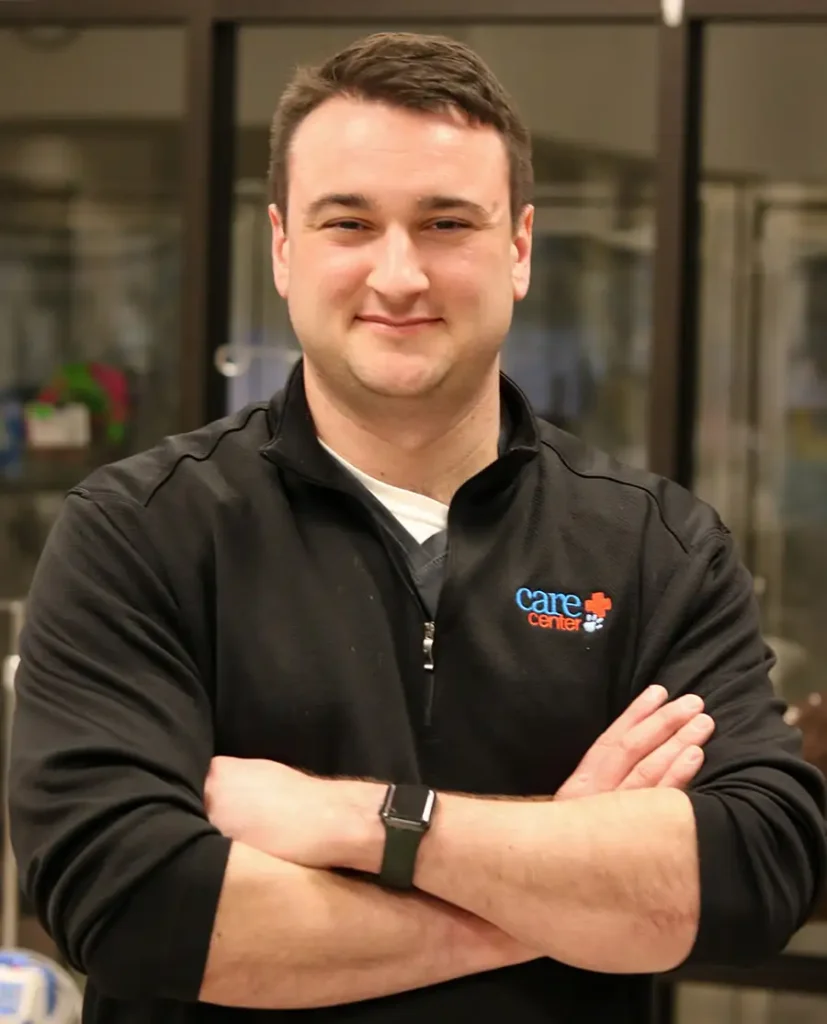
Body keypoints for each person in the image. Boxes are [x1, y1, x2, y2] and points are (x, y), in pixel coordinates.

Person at [8, 31, 827, 1024]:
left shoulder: (654, 545)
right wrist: (566, 880)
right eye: (348, 223)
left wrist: (363, 821)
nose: (398, 275)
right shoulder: (141, 534)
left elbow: (756, 873)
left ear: (518, 248)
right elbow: (131, 903)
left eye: (445, 223)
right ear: (281, 248)